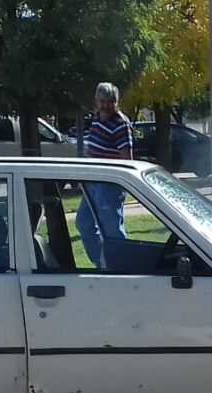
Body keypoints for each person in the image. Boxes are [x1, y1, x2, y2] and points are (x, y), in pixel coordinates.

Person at [76, 82, 134, 267]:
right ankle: (102, 264)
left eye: (111, 101)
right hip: (92, 181)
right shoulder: (96, 119)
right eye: (102, 101)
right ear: (96, 102)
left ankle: (124, 268)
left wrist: (122, 183)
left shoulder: (121, 123)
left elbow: (127, 159)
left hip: (109, 185)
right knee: (83, 223)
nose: (106, 105)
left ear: (117, 102)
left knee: (112, 232)